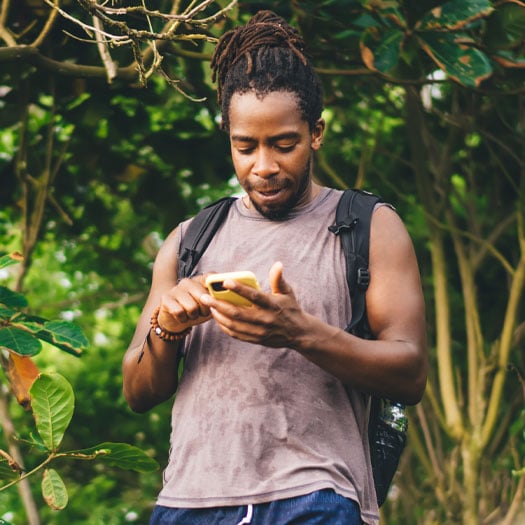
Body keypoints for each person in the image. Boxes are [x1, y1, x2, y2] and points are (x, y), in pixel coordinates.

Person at [122, 10, 427, 525]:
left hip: (316, 497)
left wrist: (300, 332)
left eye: (283, 144)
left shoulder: (368, 225)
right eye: (245, 147)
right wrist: (166, 328)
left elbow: (410, 372)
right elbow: (138, 391)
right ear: (229, 139)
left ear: (316, 134)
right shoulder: (189, 241)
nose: (263, 165)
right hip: (189, 504)